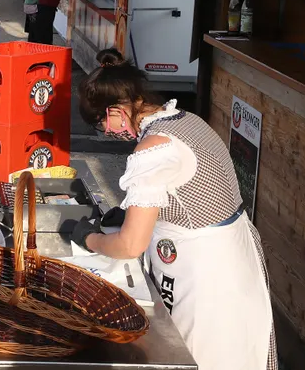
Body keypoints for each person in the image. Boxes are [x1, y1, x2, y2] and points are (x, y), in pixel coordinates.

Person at [76, 49, 276, 370]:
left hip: (206, 277)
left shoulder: (154, 148)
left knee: (203, 357)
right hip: (236, 260)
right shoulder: (187, 120)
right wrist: (132, 215)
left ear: (115, 110)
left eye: (103, 123)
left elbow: (130, 245)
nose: (109, 132)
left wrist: (90, 239)